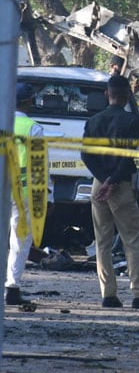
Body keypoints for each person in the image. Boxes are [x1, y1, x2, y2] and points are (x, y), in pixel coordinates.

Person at [81, 75, 139, 309]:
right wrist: (113, 181)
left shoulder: (93, 121)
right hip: (121, 185)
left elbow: (86, 155)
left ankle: (108, 294)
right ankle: (138, 294)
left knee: (102, 241)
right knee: (132, 240)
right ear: (127, 95)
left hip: (98, 185)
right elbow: (130, 156)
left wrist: (103, 180)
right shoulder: (132, 120)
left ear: (107, 94)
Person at [5, 84, 44, 305]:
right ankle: (11, 287)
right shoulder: (33, 128)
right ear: (29, 101)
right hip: (24, 192)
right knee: (20, 240)